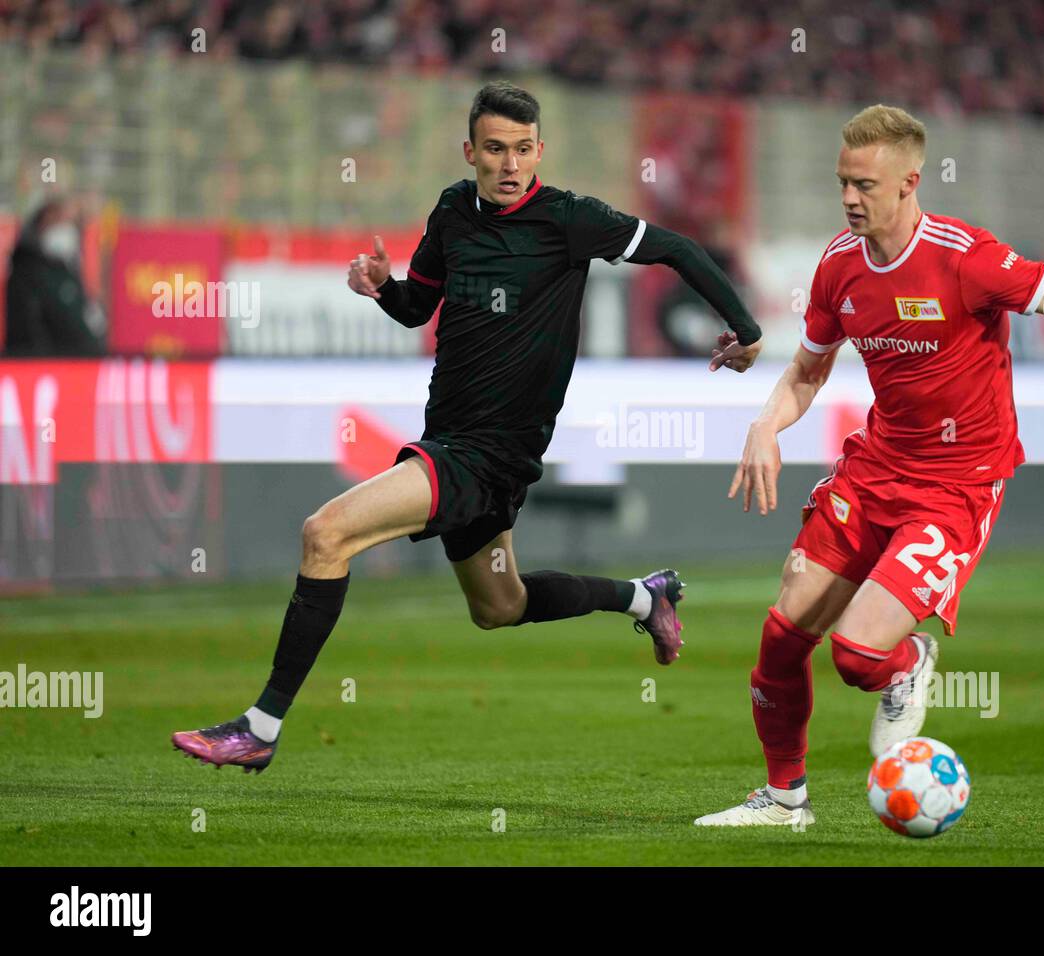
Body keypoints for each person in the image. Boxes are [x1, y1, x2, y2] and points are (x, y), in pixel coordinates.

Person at [695, 104, 1044, 827]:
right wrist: (765, 424)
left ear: (909, 182)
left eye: (864, 185)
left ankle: (907, 665)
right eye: (843, 181)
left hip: (956, 487)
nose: (848, 197)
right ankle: (784, 800)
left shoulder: (967, 259)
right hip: (875, 469)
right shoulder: (839, 265)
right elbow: (808, 371)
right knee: (780, 638)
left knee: (856, 657)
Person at [172, 80, 763, 773]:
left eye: (521, 150)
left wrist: (747, 331)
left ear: (540, 151)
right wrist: (382, 288)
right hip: (455, 439)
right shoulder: (453, 210)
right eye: (494, 150)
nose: (509, 165)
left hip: (486, 454)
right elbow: (417, 308)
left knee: (324, 534)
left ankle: (260, 727)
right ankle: (643, 595)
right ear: (470, 152)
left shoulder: (571, 220)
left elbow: (680, 250)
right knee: (500, 606)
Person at [4, 197, 103, 357]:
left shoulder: (67, 270)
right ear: (42, 223)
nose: (66, 229)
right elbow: (29, 332)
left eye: (69, 222)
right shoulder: (25, 270)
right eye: (59, 220)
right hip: (42, 368)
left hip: (78, 368)